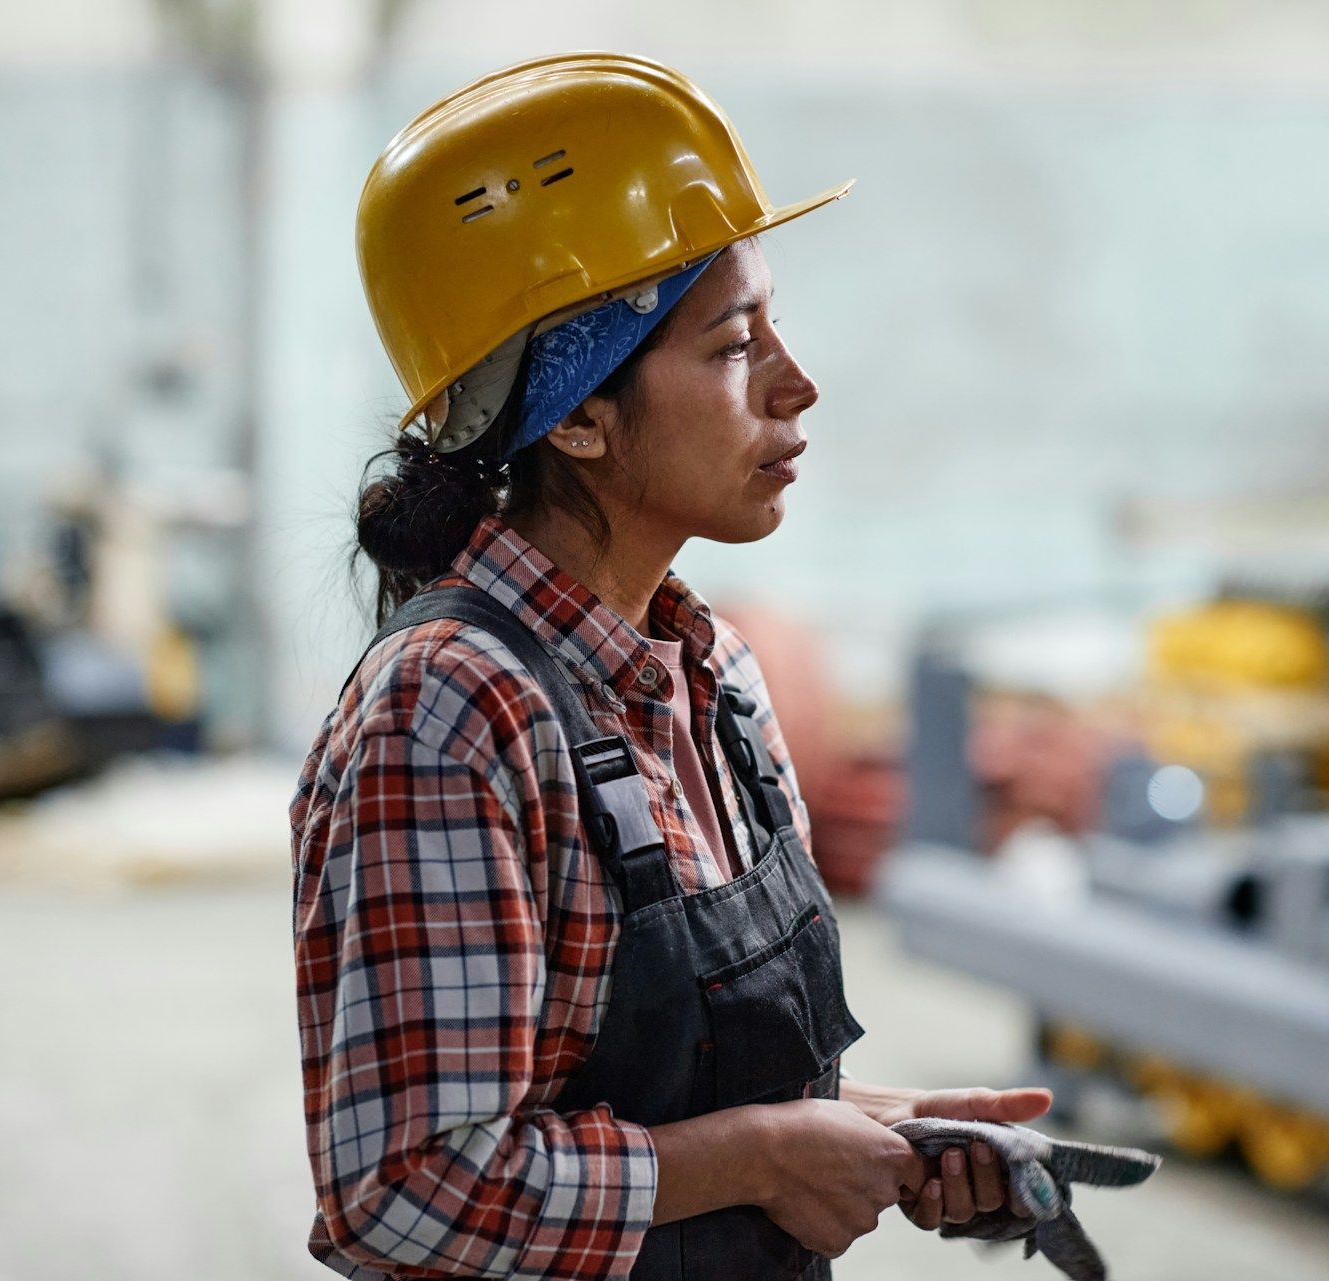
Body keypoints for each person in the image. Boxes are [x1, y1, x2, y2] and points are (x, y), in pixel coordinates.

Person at [291, 53, 1051, 1280]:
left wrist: (877, 1134)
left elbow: (690, 1087)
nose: (798, 385)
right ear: (579, 415)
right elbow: (406, 1189)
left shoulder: (717, 679)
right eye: (734, 345)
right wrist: (760, 1157)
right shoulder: (450, 711)